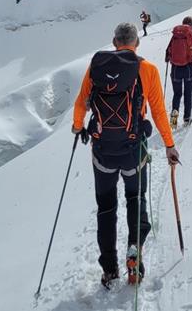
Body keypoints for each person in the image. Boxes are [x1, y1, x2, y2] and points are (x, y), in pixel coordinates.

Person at [72, 22, 180, 288]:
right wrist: (169, 144)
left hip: (102, 153)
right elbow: (158, 111)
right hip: (134, 152)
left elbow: (80, 103)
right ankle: (135, 252)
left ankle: (109, 268)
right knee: (136, 198)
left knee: (106, 209)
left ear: (114, 41)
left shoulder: (96, 67)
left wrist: (77, 128)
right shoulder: (148, 70)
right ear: (137, 44)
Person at [165, 16, 192, 127]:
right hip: (189, 69)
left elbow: (167, 52)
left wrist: (169, 59)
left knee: (177, 94)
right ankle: (186, 118)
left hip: (176, 69)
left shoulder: (175, 36)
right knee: (187, 94)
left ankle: (173, 121)